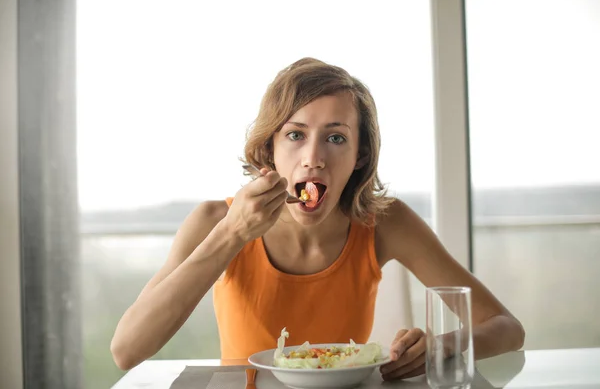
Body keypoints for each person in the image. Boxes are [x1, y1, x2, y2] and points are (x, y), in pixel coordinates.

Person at [110, 57, 525, 380]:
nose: (313, 159)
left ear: (359, 154)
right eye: (295, 135)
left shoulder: (386, 222)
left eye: (335, 138)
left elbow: (506, 327)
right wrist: (233, 233)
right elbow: (127, 350)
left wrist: (442, 345)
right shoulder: (215, 220)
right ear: (269, 148)